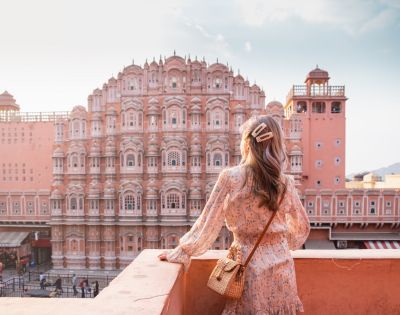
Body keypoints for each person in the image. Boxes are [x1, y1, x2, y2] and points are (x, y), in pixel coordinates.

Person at [159, 115, 310, 314]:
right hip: (282, 266)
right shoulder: (285, 183)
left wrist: (183, 251)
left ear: (247, 143)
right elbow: (303, 227)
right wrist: (278, 244)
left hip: (248, 266)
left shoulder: (231, 178)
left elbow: (208, 221)